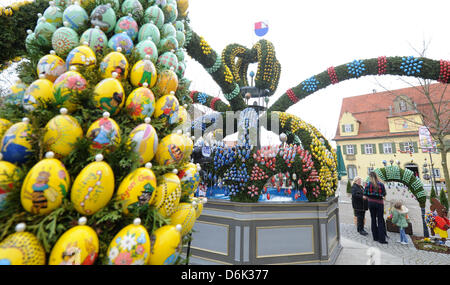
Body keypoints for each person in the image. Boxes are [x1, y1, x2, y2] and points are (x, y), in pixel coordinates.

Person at [364, 172, 388, 244]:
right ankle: (382, 239)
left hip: (371, 203)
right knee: (380, 220)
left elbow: (365, 193)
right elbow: (384, 193)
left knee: (373, 219)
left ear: (370, 177)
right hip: (379, 203)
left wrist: (370, 196)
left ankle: (375, 237)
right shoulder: (381, 184)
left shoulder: (368, 184)